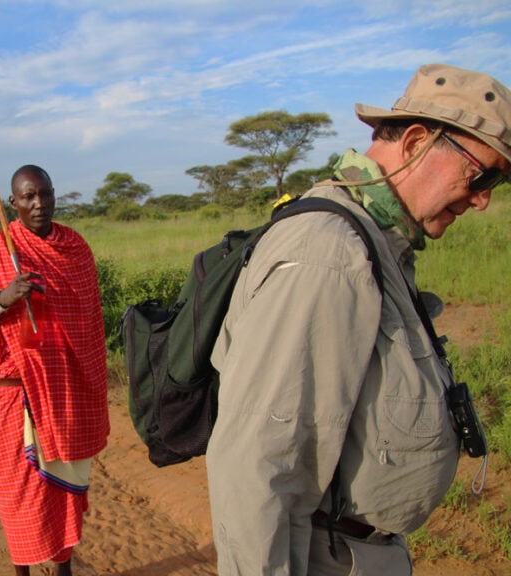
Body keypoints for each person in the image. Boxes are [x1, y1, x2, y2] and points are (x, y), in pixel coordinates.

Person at [206, 63, 511, 575]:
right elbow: (257, 467)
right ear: (415, 143)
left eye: (497, 183)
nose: (482, 199)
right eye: (482, 175)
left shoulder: (376, 244)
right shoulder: (328, 252)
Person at [0, 165, 109, 576]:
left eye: (44, 194)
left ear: (55, 195)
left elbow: (89, 325)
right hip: (16, 393)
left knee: (60, 490)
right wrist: (3, 299)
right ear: (13, 203)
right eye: (28, 197)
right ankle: (22, 570)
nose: (38, 203)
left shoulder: (75, 248)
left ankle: (64, 569)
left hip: (65, 392)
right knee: (18, 493)